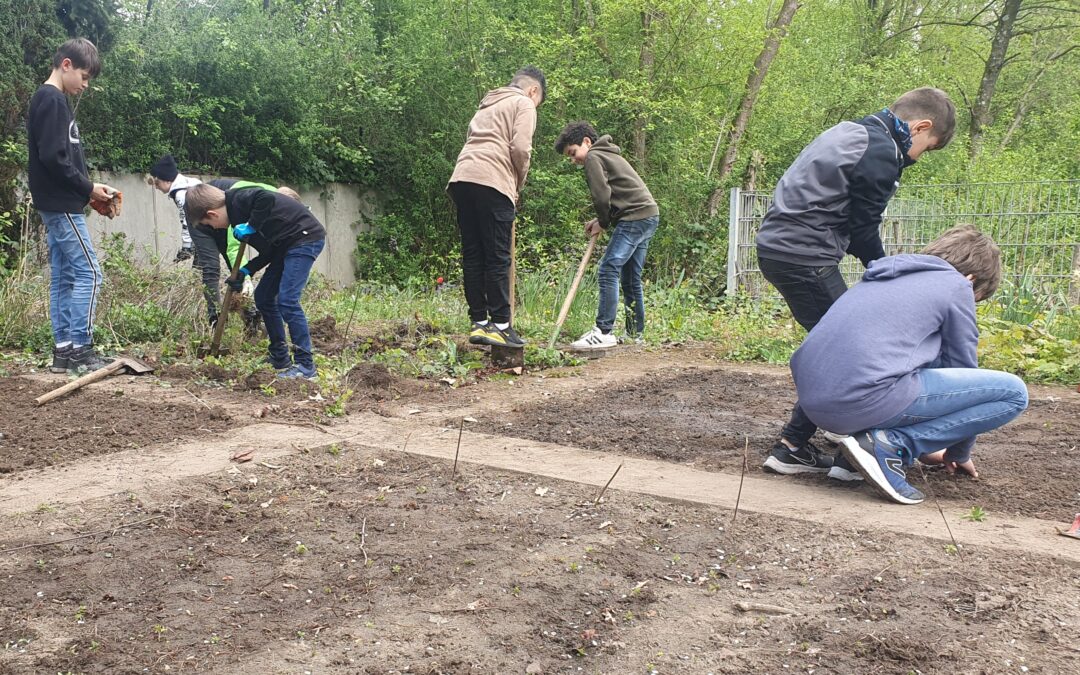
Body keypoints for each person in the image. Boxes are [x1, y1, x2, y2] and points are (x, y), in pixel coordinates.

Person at [755, 87, 957, 481]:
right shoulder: (881, 152)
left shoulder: (852, 131)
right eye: (927, 148)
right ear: (921, 127)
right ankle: (809, 450)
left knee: (843, 348)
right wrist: (888, 273)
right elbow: (863, 229)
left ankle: (829, 436)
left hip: (780, 248)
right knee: (854, 353)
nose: (919, 158)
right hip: (804, 256)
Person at [790, 225, 1028, 504]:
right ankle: (893, 446)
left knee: (910, 361)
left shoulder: (883, 276)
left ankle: (851, 460)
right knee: (1014, 393)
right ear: (972, 279)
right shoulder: (956, 285)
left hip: (816, 404)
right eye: (977, 298)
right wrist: (958, 453)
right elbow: (962, 369)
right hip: (859, 402)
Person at [27, 38, 118, 373]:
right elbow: (54, 158)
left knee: (65, 275)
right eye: (83, 74)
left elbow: (61, 159)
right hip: (61, 204)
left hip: (60, 201)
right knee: (90, 273)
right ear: (66, 65)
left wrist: (89, 193)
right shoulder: (52, 99)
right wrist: (89, 187)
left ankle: (63, 351)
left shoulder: (49, 99)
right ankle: (81, 348)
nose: (85, 83)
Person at [447, 66, 545, 349]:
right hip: (493, 180)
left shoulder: (486, 105)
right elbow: (521, 148)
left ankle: (479, 323)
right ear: (533, 90)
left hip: (462, 178)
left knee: (474, 254)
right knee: (499, 256)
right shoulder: (524, 103)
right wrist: (517, 184)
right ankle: (501, 325)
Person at [184, 183, 325, 379]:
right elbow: (269, 251)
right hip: (283, 246)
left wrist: (251, 226)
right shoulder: (238, 221)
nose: (213, 229)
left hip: (304, 239)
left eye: (209, 225)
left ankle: (306, 366)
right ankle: (279, 356)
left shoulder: (238, 200)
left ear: (213, 214)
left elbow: (265, 197)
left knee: (287, 300)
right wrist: (246, 271)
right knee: (264, 297)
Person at [554, 121, 659, 348]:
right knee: (630, 278)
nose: (574, 160)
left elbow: (602, 196)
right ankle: (635, 334)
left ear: (586, 142)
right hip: (648, 214)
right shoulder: (609, 154)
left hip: (634, 217)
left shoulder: (593, 157)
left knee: (608, 268)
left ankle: (603, 331)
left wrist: (603, 222)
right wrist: (602, 220)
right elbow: (617, 197)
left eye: (573, 153)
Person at [149, 155, 226, 325]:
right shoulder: (190, 183)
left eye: (157, 183)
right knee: (202, 269)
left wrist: (186, 247)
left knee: (208, 270)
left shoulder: (182, 193)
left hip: (208, 226)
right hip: (217, 224)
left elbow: (187, 220)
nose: (157, 187)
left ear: (166, 180)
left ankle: (215, 318)